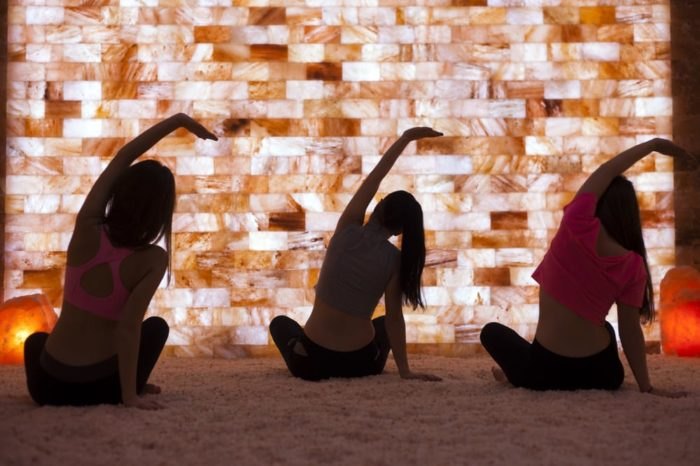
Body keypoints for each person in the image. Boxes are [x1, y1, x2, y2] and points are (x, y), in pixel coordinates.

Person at [23, 113, 217, 409]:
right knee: (155, 328)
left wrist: (177, 121)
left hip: (47, 386)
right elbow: (128, 329)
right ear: (160, 212)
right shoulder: (153, 259)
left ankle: (128, 383)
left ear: (120, 192)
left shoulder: (86, 226)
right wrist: (129, 396)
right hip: (100, 389)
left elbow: (123, 157)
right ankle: (131, 384)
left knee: (35, 341)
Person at [480, 138, 690, 396]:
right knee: (608, 329)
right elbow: (629, 330)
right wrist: (646, 386)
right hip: (602, 374)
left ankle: (517, 373)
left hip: (543, 372)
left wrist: (650, 146)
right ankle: (518, 371)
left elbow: (606, 170)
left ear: (597, 204)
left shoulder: (576, 222)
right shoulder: (634, 265)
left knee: (491, 332)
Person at [270, 127, 443, 381]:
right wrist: (405, 371)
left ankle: (299, 347)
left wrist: (405, 139)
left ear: (378, 206)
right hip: (360, 364)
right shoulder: (395, 260)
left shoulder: (347, 230)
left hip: (311, 363)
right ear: (399, 231)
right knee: (384, 323)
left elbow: (373, 180)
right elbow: (395, 318)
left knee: (280, 324)